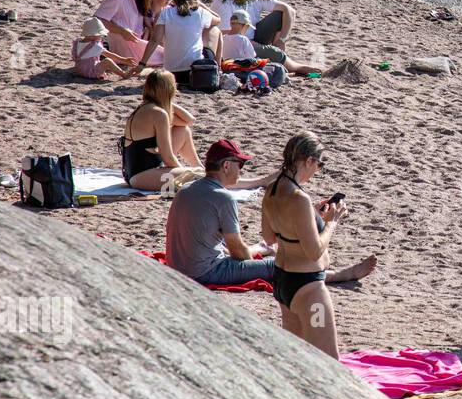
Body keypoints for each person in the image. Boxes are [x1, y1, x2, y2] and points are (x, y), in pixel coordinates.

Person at [261, 132, 377, 358]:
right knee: (329, 360)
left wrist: (312, 216)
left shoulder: (272, 190)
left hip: (284, 282)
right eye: (319, 164)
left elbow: (270, 237)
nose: (317, 171)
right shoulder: (299, 198)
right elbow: (313, 251)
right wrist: (332, 223)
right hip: (308, 288)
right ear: (308, 161)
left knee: (296, 358)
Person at [165, 139, 283, 288]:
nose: (241, 170)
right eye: (240, 164)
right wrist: (252, 265)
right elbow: (237, 252)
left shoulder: (186, 189)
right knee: (278, 266)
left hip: (175, 269)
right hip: (203, 273)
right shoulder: (223, 198)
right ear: (226, 165)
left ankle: (262, 247)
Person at [120, 70, 205, 190]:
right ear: (168, 89)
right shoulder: (158, 114)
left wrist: (166, 101)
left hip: (136, 171)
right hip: (141, 176)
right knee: (201, 176)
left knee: (183, 130)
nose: (176, 89)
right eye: (174, 86)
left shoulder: (148, 108)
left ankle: (198, 166)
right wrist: (184, 173)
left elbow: (189, 121)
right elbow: (168, 158)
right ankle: (199, 170)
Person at [134, 0, 222, 85]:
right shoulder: (200, 12)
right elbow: (218, 19)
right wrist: (200, 4)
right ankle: (218, 69)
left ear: (174, 0)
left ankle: (217, 68)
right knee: (214, 30)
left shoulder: (166, 13)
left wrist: (142, 63)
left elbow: (155, 40)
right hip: (195, 70)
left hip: (171, 73)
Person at [94, 0, 162, 66]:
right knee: (167, 57)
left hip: (136, 41)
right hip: (125, 48)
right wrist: (122, 31)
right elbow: (97, 20)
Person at [221, 9, 317, 74]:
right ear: (245, 26)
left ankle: (294, 74)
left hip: (234, 69)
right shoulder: (243, 39)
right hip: (246, 69)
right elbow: (251, 60)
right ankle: (317, 74)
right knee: (296, 68)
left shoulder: (223, 39)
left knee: (289, 70)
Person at [211, 0, 296, 51]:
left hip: (255, 38)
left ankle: (278, 52)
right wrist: (265, 49)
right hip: (238, 44)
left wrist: (282, 40)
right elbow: (227, 36)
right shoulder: (223, 1)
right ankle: (278, 58)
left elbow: (289, 10)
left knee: (281, 15)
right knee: (296, 66)